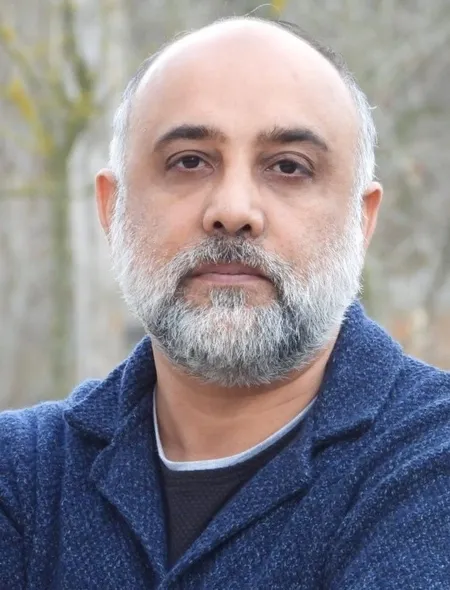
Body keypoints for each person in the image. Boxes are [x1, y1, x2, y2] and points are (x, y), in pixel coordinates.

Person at [1, 16, 449, 590]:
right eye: (189, 160)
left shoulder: (432, 460)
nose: (233, 210)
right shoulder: (22, 476)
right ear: (112, 209)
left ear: (362, 222)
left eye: (289, 167)